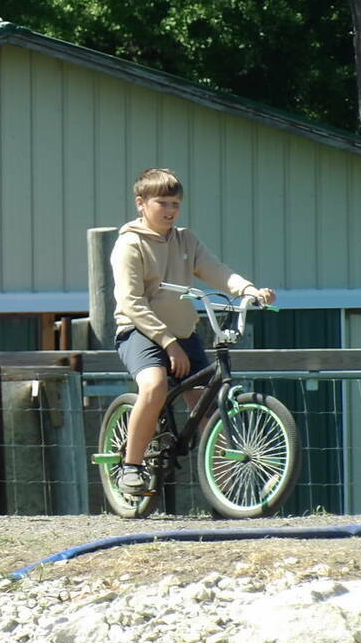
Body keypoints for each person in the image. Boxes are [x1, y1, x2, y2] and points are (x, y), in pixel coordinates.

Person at [110, 168, 275, 496]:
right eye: (162, 203)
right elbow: (131, 302)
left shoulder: (186, 239)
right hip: (140, 332)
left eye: (175, 204)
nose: (170, 210)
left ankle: (229, 490)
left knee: (208, 407)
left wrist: (249, 290)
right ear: (141, 203)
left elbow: (216, 270)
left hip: (183, 334)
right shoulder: (130, 244)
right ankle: (131, 467)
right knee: (154, 387)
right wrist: (168, 343)